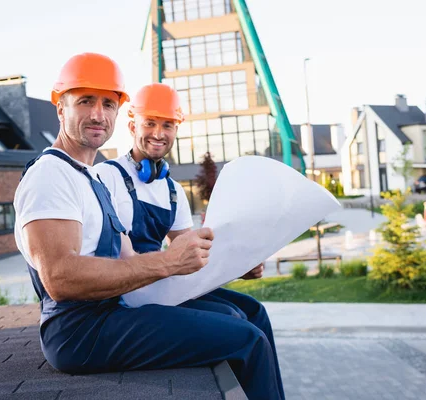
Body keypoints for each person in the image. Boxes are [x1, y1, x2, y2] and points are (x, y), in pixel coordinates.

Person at [13, 54, 284, 400]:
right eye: (85, 101)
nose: (98, 113)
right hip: (79, 332)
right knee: (248, 341)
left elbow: (126, 255)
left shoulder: (89, 179)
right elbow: (60, 278)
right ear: (60, 107)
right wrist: (168, 261)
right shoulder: (51, 174)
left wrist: (232, 262)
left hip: (110, 312)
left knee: (246, 319)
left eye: (108, 103)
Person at [94, 82, 284, 398]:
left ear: (177, 128)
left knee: (254, 311)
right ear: (132, 125)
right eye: (150, 123)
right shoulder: (108, 177)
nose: (159, 133)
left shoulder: (172, 191)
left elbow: (196, 256)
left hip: (161, 288)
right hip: (128, 296)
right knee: (233, 319)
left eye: (167, 124)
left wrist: (240, 265)